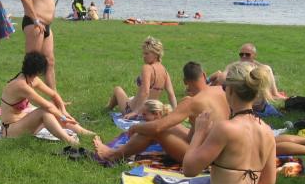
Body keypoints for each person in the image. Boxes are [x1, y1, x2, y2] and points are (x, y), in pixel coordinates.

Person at [95, 61, 227, 163]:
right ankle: (123, 150)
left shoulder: (192, 102)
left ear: (185, 82)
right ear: (204, 75)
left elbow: (158, 127)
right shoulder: (220, 90)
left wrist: (135, 127)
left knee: (154, 130)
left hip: (203, 159)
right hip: (221, 152)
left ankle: (112, 155)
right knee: (170, 124)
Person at [0, 51, 95, 145]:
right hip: (10, 130)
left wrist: (63, 110)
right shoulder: (21, 85)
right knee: (44, 111)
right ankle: (70, 141)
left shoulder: (32, 79)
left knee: (54, 105)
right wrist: (62, 117)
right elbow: (47, 106)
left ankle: (83, 132)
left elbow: (54, 95)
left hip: (24, 123)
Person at [106, 37, 178, 118]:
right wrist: (176, 113)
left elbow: (145, 92)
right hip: (151, 112)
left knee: (117, 89)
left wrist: (135, 112)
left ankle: (107, 108)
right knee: (131, 98)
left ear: (156, 54)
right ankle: (109, 107)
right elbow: (171, 94)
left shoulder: (147, 68)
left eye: (147, 54)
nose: (143, 56)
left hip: (135, 110)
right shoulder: (164, 70)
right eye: (143, 53)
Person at [20, 0, 60, 89]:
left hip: (46, 26)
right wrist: (36, 19)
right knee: (32, 63)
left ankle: (55, 98)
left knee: (49, 61)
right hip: (35, 24)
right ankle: (22, 96)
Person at [208, 43, 286, 100]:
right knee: (218, 75)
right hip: (233, 91)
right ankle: (207, 82)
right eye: (241, 54)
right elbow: (222, 78)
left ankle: (275, 94)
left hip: (249, 93)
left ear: (254, 55)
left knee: (267, 68)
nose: (244, 56)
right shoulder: (233, 65)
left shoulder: (260, 67)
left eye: (247, 54)